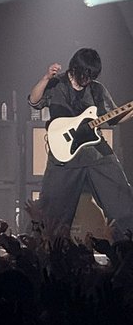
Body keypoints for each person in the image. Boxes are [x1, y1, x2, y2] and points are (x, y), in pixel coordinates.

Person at [29, 48, 133, 238]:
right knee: (52, 213)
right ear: (75, 68)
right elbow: (34, 101)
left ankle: (127, 244)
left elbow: (114, 118)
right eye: (85, 75)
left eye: (91, 76)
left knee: (122, 200)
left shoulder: (97, 89)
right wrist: (45, 78)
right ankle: (47, 249)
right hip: (64, 154)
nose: (87, 80)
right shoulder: (57, 83)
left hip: (95, 152)